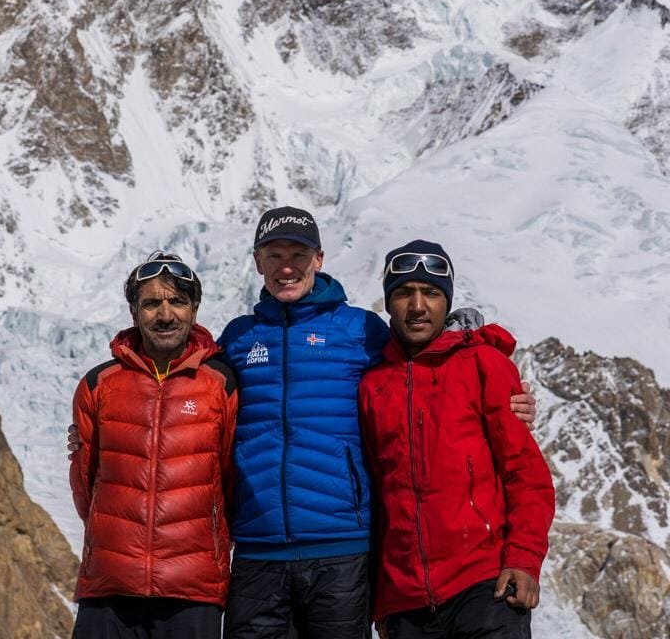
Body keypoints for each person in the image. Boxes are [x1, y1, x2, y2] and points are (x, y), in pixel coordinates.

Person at [217, 211, 536, 639]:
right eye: (274, 254)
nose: (286, 266)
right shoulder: (238, 338)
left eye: (299, 253)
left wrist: (481, 349)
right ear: (257, 262)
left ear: (319, 259)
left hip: (342, 549)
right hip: (259, 547)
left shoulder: (361, 331)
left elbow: (424, 348)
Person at [358, 240, 555, 638]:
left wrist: (525, 557)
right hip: (405, 600)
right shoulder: (373, 385)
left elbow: (525, 473)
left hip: (485, 586)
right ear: (388, 302)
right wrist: (383, 600)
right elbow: (378, 495)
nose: (417, 306)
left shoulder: (484, 365)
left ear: (447, 300)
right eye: (403, 293)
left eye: (430, 292)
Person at [68, 251, 238, 639]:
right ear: (133, 311)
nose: (165, 315)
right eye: (151, 303)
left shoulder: (220, 385)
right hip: (110, 585)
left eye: (177, 301)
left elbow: (230, 478)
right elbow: (85, 483)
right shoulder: (99, 384)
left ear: (194, 309)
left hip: (192, 588)